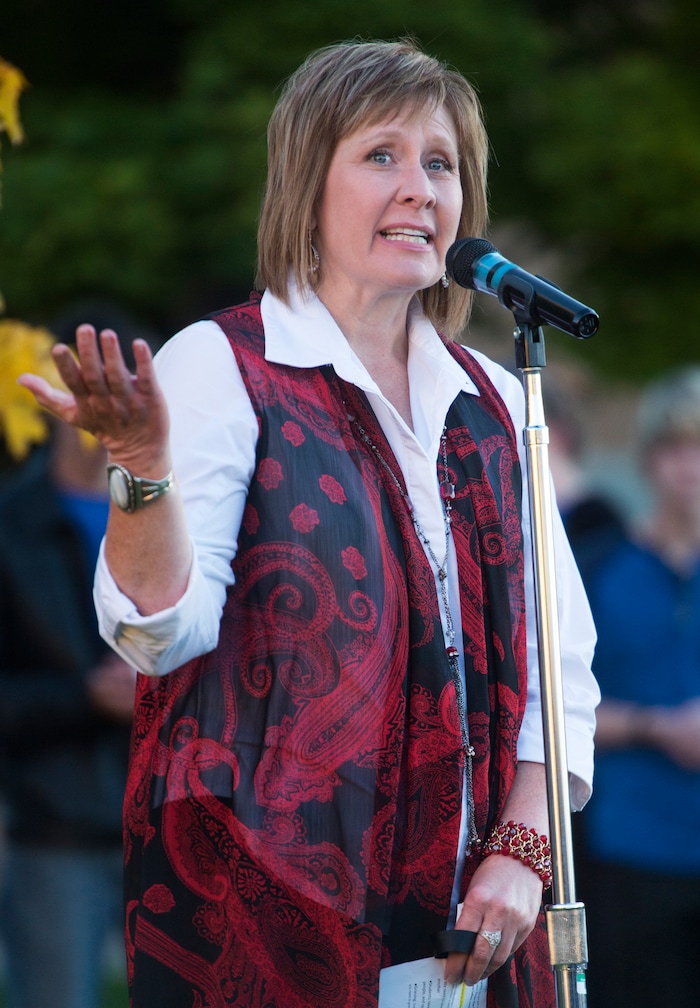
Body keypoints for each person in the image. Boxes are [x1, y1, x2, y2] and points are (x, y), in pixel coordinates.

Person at [19, 39, 598, 1008]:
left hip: (473, 938)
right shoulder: (223, 366)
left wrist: (523, 854)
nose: (417, 187)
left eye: (440, 163)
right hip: (265, 930)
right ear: (306, 182)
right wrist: (143, 476)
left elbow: (559, 671)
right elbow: (155, 632)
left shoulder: (495, 400)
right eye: (380, 156)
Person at [0, 308, 145, 1008]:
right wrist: (84, 696)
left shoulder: (177, 518)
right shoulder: (9, 528)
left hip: (172, 824)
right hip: (56, 829)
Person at [576, 366, 700, 1008]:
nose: (692, 467)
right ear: (651, 460)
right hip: (629, 852)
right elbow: (558, 710)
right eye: (678, 448)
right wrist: (658, 727)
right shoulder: (599, 566)